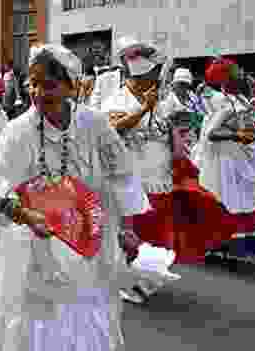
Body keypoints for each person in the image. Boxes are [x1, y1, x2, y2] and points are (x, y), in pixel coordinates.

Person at [0, 43, 158, 351]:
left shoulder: (94, 124)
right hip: (34, 240)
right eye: (33, 83)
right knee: (39, 317)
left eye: (49, 84)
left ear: (71, 86)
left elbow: (121, 175)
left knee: (84, 313)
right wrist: (26, 215)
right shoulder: (19, 131)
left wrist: (127, 229)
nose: (38, 92)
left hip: (89, 238)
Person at [94, 37, 180, 304]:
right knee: (131, 233)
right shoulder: (117, 99)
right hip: (130, 179)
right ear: (142, 75)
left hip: (160, 177)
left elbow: (173, 130)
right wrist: (144, 108)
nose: (158, 77)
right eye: (154, 73)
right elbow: (111, 129)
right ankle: (129, 281)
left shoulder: (165, 99)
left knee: (159, 231)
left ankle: (144, 279)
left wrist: (178, 150)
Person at [191, 57, 255, 258]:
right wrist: (238, 135)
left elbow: (247, 125)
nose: (242, 73)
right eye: (236, 71)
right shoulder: (222, 101)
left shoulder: (240, 99)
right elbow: (212, 133)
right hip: (225, 161)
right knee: (228, 200)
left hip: (237, 158)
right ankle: (218, 244)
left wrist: (254, 135)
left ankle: (228, 246)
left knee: (239, 200)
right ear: (226, 78)